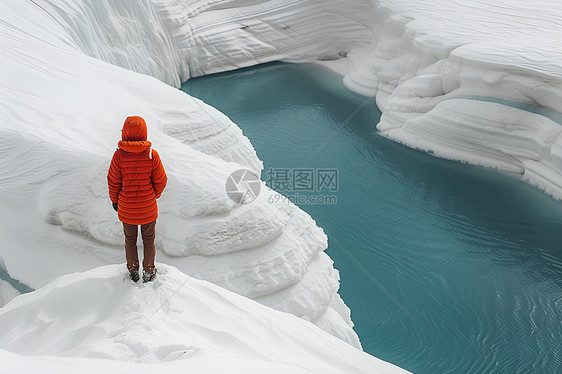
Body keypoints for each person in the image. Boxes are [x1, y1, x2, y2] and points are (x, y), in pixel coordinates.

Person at [107, 116, 167, 283]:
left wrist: (115, 200)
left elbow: (113, 181)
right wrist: (153, 195)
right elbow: (161, 180)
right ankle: (149, 271)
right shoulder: (151, 154)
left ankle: (133, 270)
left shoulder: (119, 156)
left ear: (125, 132)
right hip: (148, 207)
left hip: (127, 208)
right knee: (149, 240)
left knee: (130, 240)